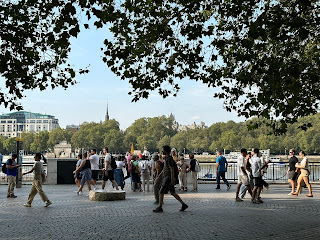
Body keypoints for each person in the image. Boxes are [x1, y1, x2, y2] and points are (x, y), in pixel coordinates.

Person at [153, 145, 188, 213]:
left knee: (161, 191)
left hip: (168, 177)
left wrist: (172, 178)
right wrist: (159, 176)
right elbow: (164, 169)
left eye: (163, 150)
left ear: (166, 151)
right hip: (167, 177)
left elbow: (171, 168)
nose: (162, 151)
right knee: (172, 192)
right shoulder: (166, 158)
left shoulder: (169, 158)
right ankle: (183, 204)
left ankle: (160, 206)